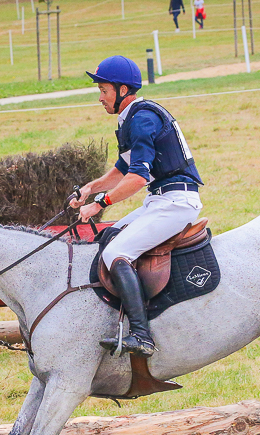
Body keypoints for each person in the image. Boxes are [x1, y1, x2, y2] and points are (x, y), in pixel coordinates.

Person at [71, 55, 204, 357]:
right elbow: (122, 168)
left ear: (121, 90)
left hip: (176, 202)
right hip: (162, 198)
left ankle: (142, 336)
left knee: (117, 252)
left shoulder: (142, 119)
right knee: (110, 236)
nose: (100, 98)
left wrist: (100, 203)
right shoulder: (133, 116)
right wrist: (89, 189)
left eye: (103, 91)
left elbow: (137, 178)